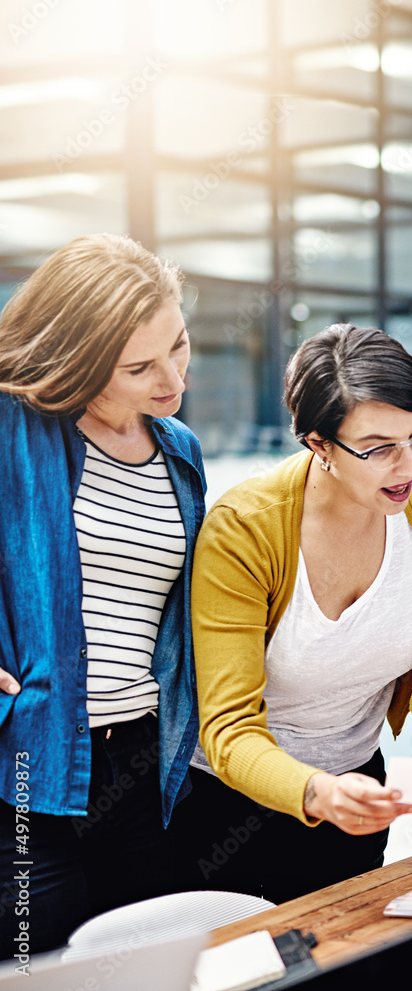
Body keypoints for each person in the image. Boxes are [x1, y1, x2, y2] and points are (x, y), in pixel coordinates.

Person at [173, 324, 412, 905]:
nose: (408, 466)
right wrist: (318, 794)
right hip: (226, 804)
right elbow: (227, 728)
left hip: (356, 790)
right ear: (318, 444)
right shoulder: (245, 529)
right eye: (378, 448)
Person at [0, 235, 205, 956]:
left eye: (178, 346)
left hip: (143, 764)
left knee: (140, 967)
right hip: (28, 766)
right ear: (81, 357)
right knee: (31, 965)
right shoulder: (13, 427)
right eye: (140, 367)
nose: (172, 379)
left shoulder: (179, 450)